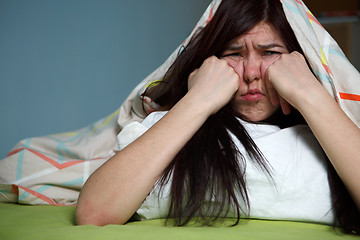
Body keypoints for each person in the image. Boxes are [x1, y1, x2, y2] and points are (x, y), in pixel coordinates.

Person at [76, 0, 360, 234]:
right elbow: (95, 212)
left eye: (270, 53)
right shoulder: (169, 129)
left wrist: (309, 93)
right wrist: (199, 99)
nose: (250, 73)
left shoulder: (335, 137)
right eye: (234, 54)